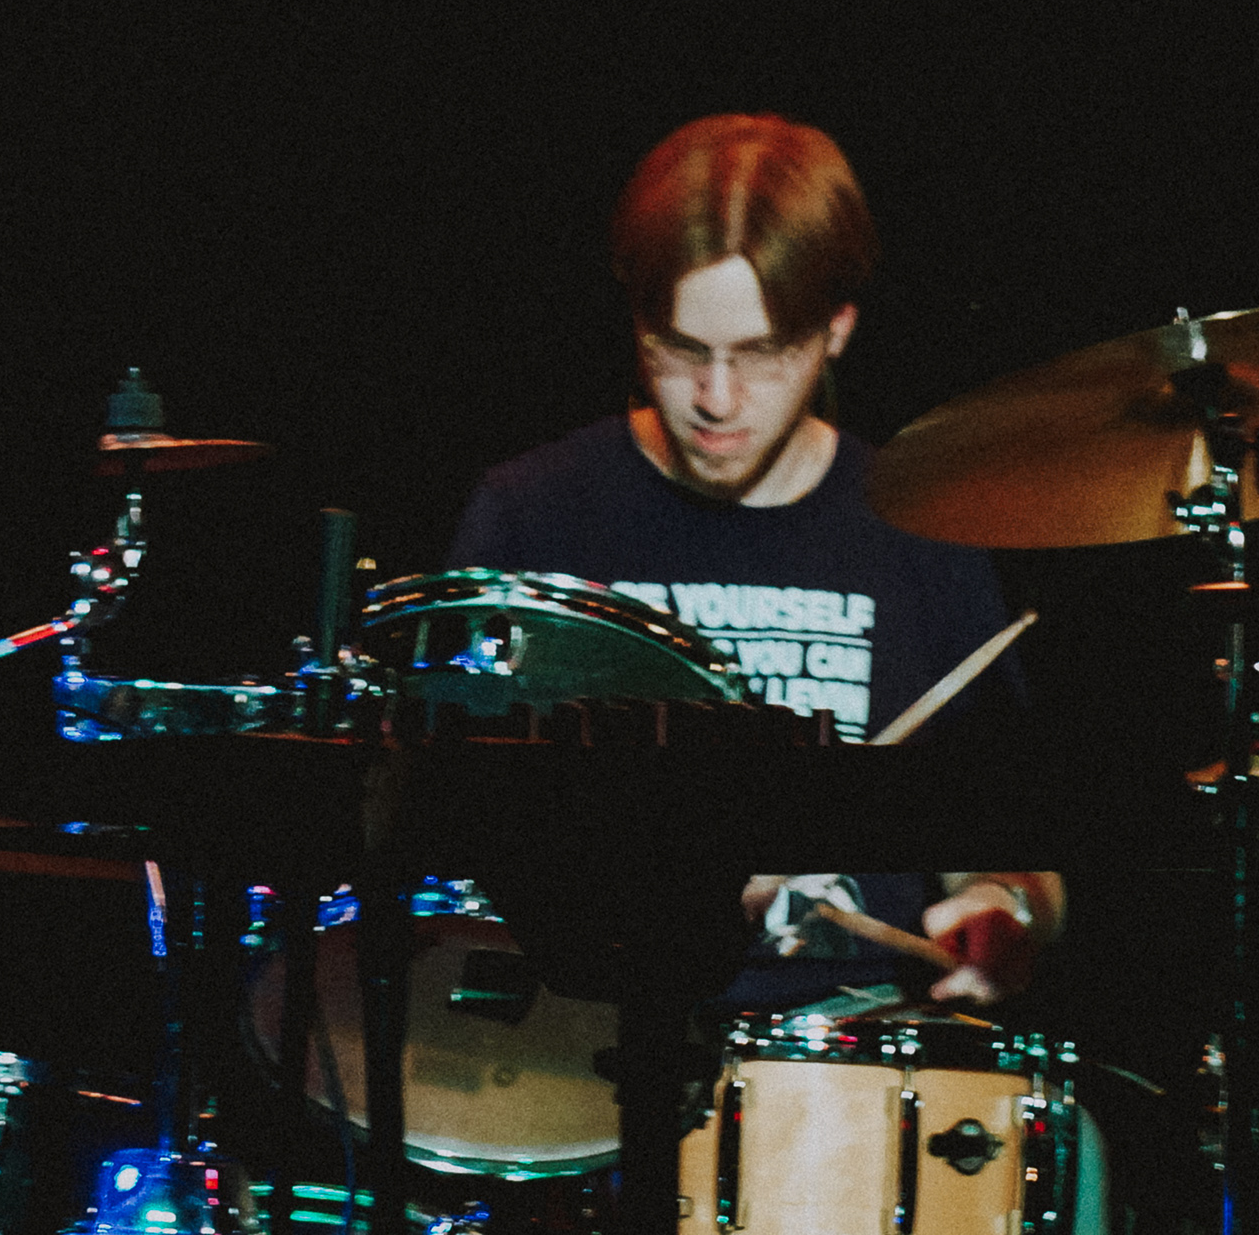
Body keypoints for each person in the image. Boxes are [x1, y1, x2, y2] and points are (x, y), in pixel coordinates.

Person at [446, 114, 1061, 1013]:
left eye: (762, 353)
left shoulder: (921, 530)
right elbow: (447, 846)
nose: (717, 399)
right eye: (680, 349)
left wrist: (1009, 908)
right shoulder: (532, 516)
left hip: (849, 1058)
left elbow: (1017, 848)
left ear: (836, 329)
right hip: (573, 1050)